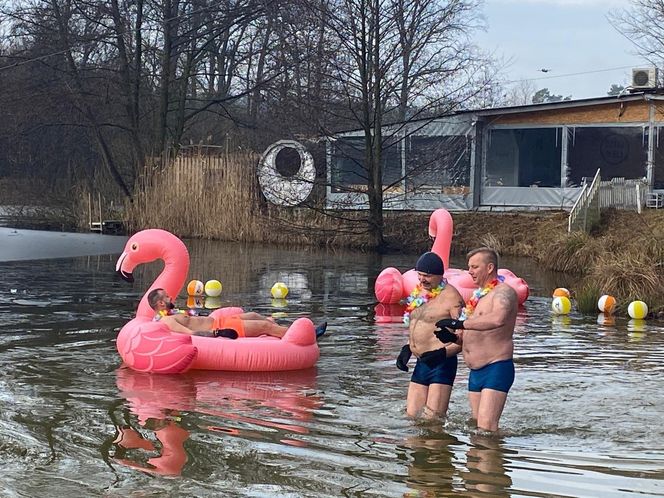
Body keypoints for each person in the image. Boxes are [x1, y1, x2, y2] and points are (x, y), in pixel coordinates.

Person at [435, 247, 518, 432]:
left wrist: (461, 324)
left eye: (474, 267)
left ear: (489, 268)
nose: (469, 272)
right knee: (476, 428)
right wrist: (453, 338)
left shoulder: (504, 293)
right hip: (475, 372)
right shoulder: (477, 297)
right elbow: (471, 338)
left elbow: (498, 319)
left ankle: (496, 458)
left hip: (495, 366)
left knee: (486, 428)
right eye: (468, 267)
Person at [395, 252, 464, 419]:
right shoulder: (418, 293)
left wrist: (441, 354)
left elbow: (465, 338)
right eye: (419, 275)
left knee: (432, 422)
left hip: (442, 364)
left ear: (440, 275)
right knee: (412, 417)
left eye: (427, 276)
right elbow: (417, 325)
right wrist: (407, 348)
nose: (422, 279)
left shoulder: (452, 298)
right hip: (421, 362)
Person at [147, 288, 327, 339]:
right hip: (221, 327)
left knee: (256, 315)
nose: (172, 297)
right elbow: (192, 334)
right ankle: (305, 336)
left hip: (220, 320)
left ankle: (292, 330)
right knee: (265, 326)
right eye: (167, 296)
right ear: (161, 302)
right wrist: (218, 334)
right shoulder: (167, 321)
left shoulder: (172, 312)